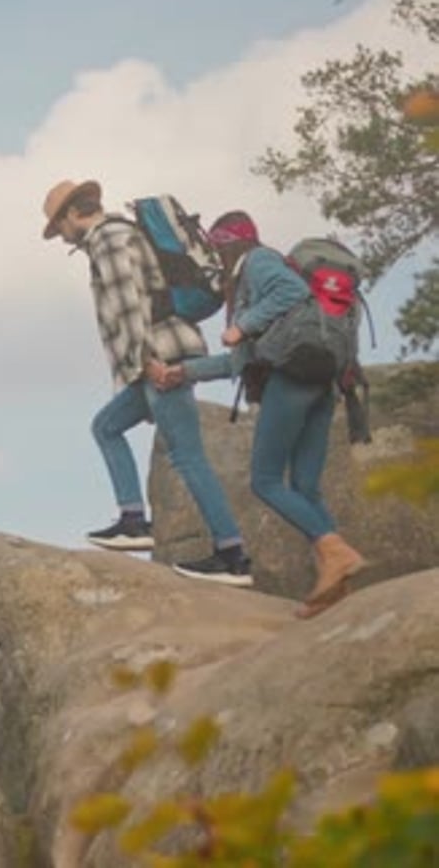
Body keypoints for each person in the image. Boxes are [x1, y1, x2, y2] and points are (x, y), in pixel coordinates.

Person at [153, 210, 366, 617]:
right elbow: (240, 361)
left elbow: (289, 293)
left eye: (217, 247)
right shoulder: (272, 296)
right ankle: (335, 585)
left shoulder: (259, 262)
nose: (216, 257)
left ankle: (335, 551)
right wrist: (184, 373)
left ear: (229, 243)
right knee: (305, 486)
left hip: (293, 380)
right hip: (322, 382)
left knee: (265, 481)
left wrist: (243, 323)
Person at [41, 180, 251, 585]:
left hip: (159, 355)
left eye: (58, 226)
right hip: (156, 356)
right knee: (106, 426)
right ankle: (133, 518)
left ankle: (232, 554)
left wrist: (146, 363)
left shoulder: (108, 238)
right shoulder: (122, 233)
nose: (60, 236)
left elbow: (128, 308)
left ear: (72, 213)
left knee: (187, 456)